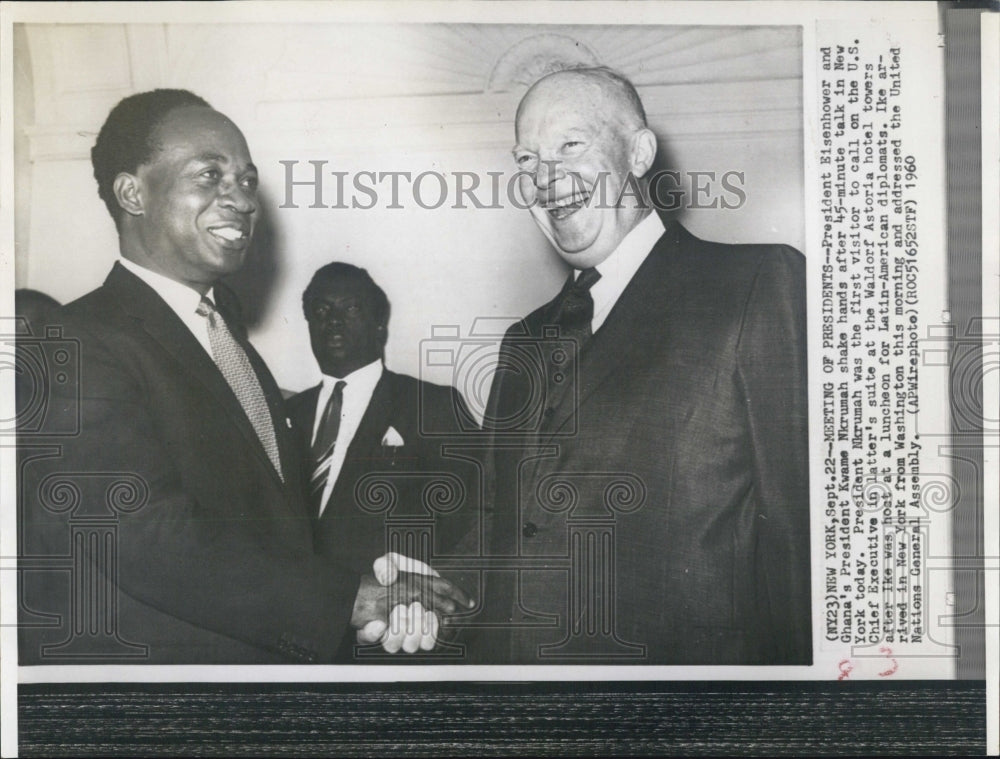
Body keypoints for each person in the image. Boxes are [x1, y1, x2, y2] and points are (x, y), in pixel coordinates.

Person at [18, 89, 469, 665]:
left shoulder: (229, 342)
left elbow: (267, 531)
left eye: (247, 180)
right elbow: (144, 538)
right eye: (210, 174)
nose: (242, 199)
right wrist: (349, 601)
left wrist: (364, 586)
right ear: (133, 192)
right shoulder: (73, 341)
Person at [477, 67, 810, 665]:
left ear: (639, 152)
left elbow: (801, 542)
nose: (546, 178)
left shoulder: (755, 285)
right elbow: (500, 536)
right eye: (526, 159)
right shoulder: (523, 342)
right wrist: (417, 591)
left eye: (570, 146)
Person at [286, 263, 476, 661]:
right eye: (320, 311)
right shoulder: (285, 414)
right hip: (295, 639)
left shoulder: (432, 405)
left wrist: (430, 601)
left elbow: (475, 519)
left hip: (396, 640)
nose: (333, 321)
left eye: (351, 309)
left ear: (379, 324)